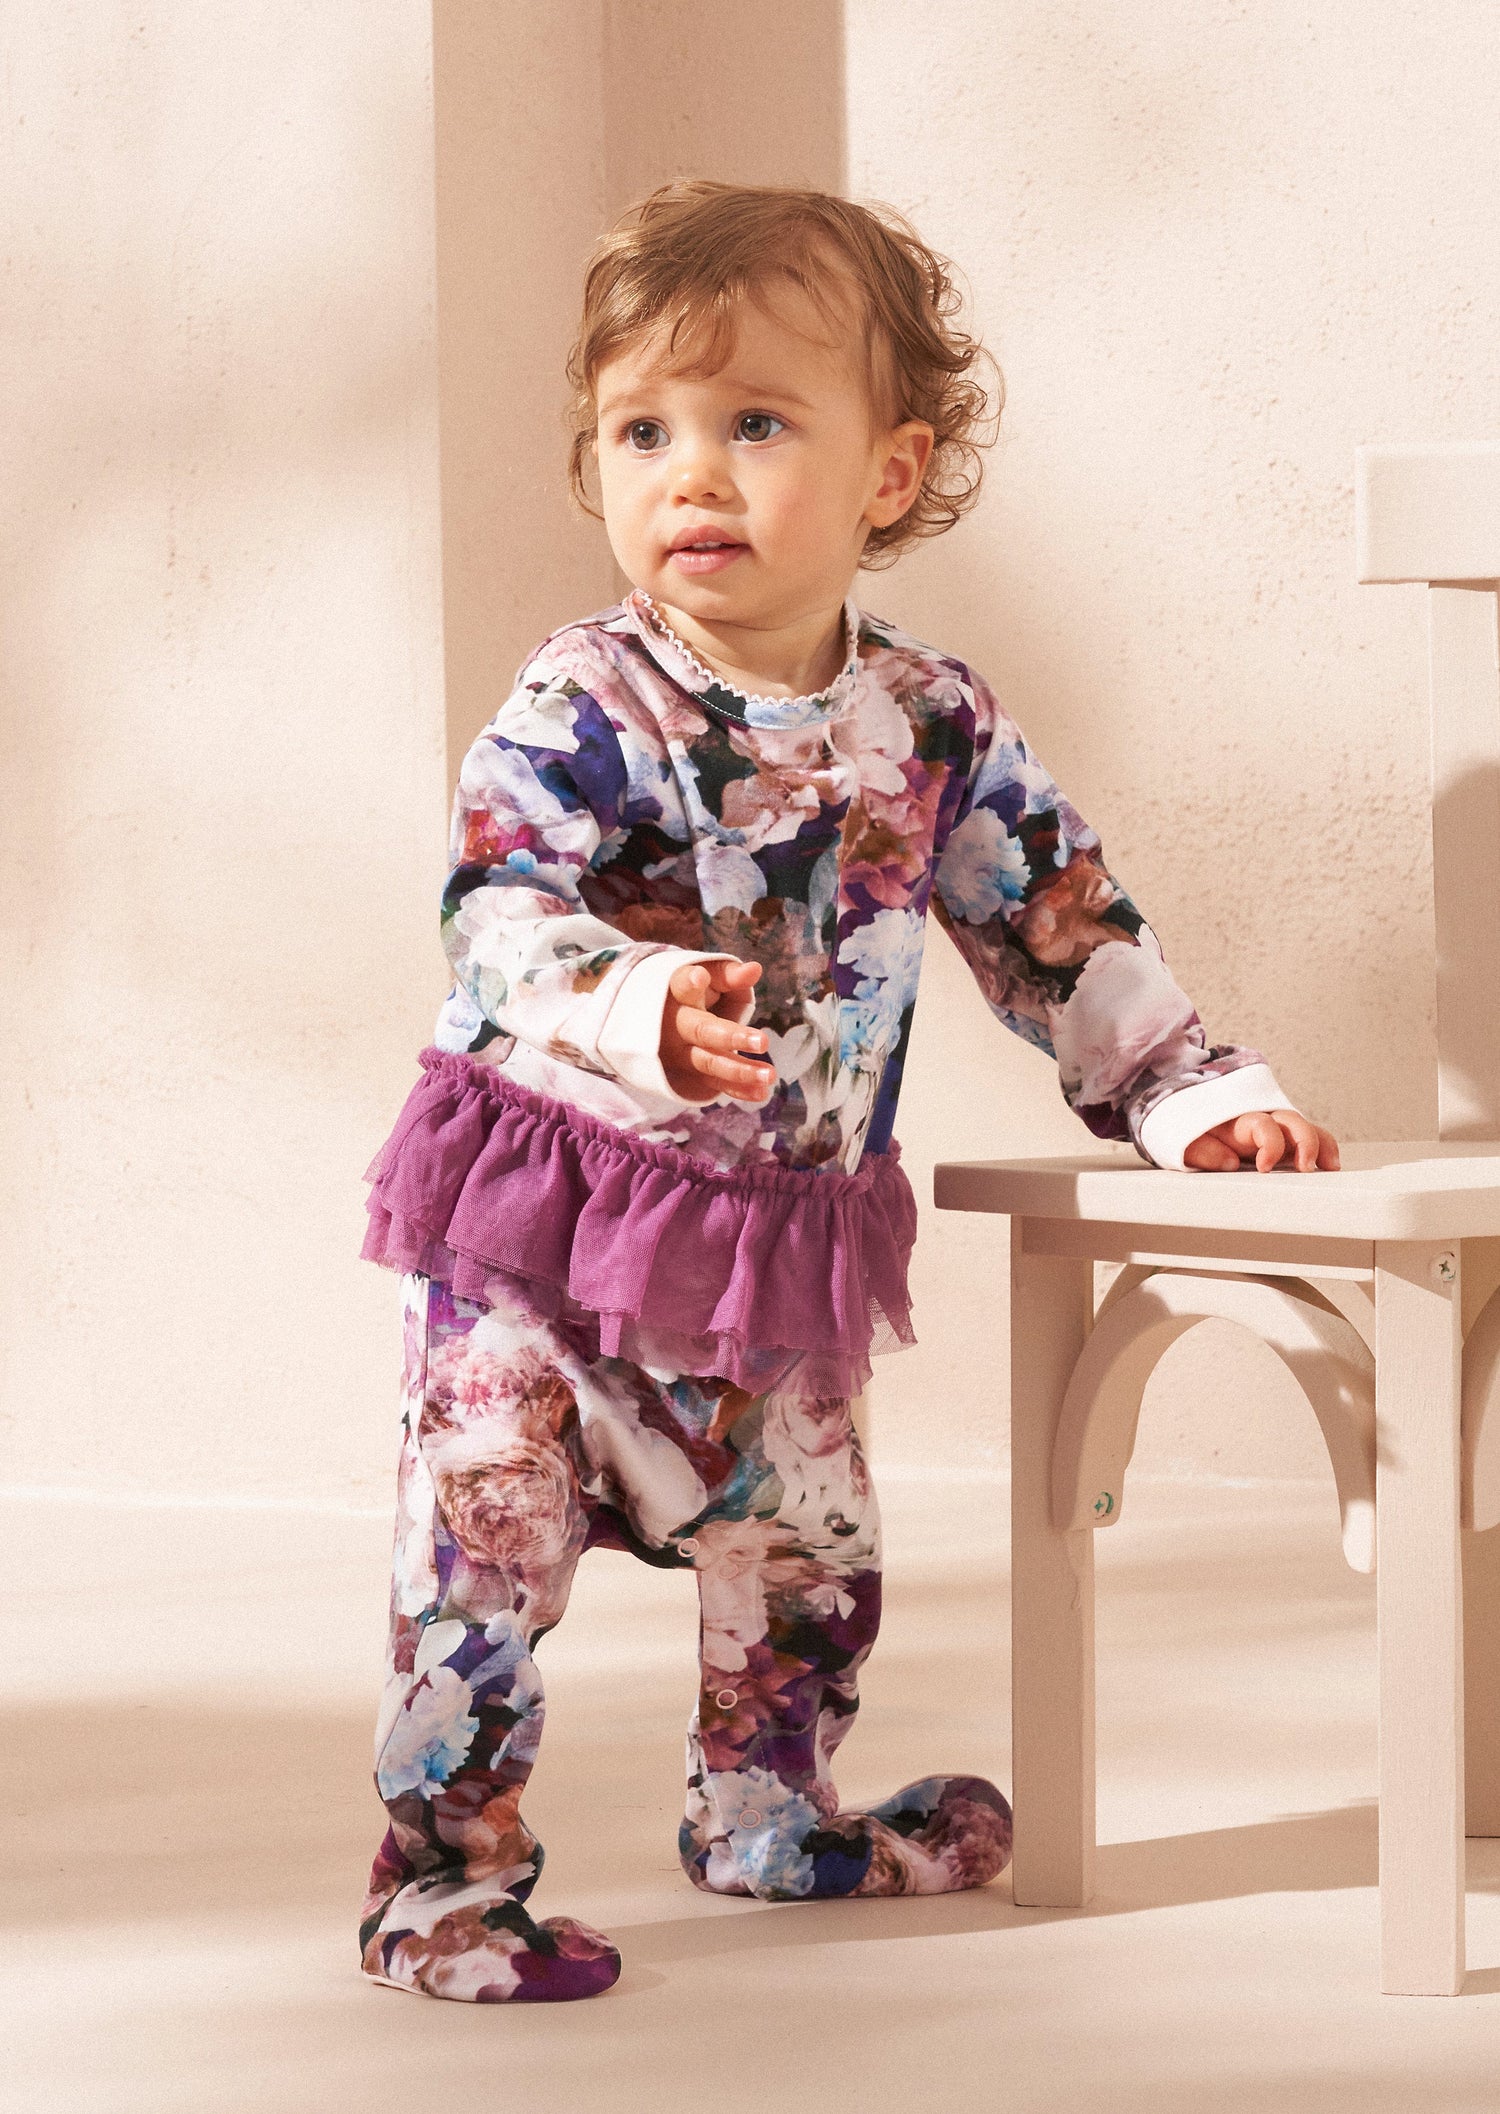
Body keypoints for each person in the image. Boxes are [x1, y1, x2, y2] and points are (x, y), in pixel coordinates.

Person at [357, 181, 1339, 2005]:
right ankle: (442, 1885)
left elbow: (1055, 920)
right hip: (547, 1230)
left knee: (811, 1559)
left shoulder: (934, 724)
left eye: (754, 423)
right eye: (642, 430)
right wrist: (635, 1002)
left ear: (891, 474)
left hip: (771, 1248)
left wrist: (1187, 1091)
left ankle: (766, 1812)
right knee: (485, 1545)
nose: (691, 474)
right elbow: (493, 903)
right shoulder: (588, 697)